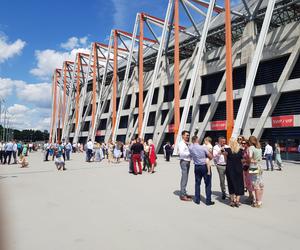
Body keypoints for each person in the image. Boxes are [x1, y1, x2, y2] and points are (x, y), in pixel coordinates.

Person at [189, 136, 214, 206]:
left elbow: (190, 149)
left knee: (197, 183)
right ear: (197, 140)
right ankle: (208, 201)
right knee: (208, 183)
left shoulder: (190, 147)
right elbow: (211, 157)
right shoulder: (203, 147)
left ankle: (197, 200)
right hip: (204, 166)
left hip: (197, 166)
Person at [225, 138, 244, 207]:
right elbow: (242, 160)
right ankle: (237, 201)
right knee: (239, 183)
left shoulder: (227, 150)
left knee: (231, 183)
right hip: (238, 169)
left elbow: (225, 159)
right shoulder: (241, 150)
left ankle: (232, 200)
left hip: (230, 169)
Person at [248, 136, 264, 208]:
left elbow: (250, 158)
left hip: (253, 167)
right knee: (260, 184)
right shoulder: (259, 148)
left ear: (250, 141)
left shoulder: (251, 148)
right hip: (260, 167)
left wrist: (251, 160)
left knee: (255, 184)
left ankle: (257, 202)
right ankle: (260, 200)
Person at [177, 130, 192, 201]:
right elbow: (182, 153)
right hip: (184, 161)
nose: (187, 136)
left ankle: (184, 192)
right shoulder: (181, 144)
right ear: (183, 136)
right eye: (186, 135)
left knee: (186, 178)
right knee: (184, 178)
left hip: (187, 161)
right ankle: (182, 195)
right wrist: (190, 153)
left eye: (188, 135)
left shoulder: (186, 143)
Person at [241, 139, 254, 204]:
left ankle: (252, 197)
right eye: (242, 143)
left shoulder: (249, 149)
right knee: (248, 182)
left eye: (244, 143)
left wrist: (244, 161)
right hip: (246, 167)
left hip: (249, 167)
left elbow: (250, 158)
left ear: (247, 143)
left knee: (250, 182)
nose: (243, 144)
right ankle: (250, 196)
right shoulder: (244, 150)